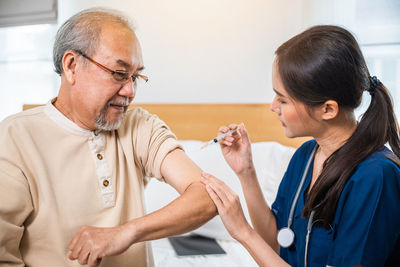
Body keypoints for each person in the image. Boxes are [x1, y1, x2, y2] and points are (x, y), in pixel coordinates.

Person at [0, 8, 216, 267]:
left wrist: (126, 232)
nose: (130, 90)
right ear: (71, 66)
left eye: (135, 76)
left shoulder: (139, 126)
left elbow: (207, 195)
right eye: (119, 73)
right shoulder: (14, 138)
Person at [201, 25, 400, 267]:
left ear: (328, 109)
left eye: (283, 99)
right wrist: (246, 172)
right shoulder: (306, 155)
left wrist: (243, 231)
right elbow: (276, 244)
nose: (273, 107)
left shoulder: (375, 177)